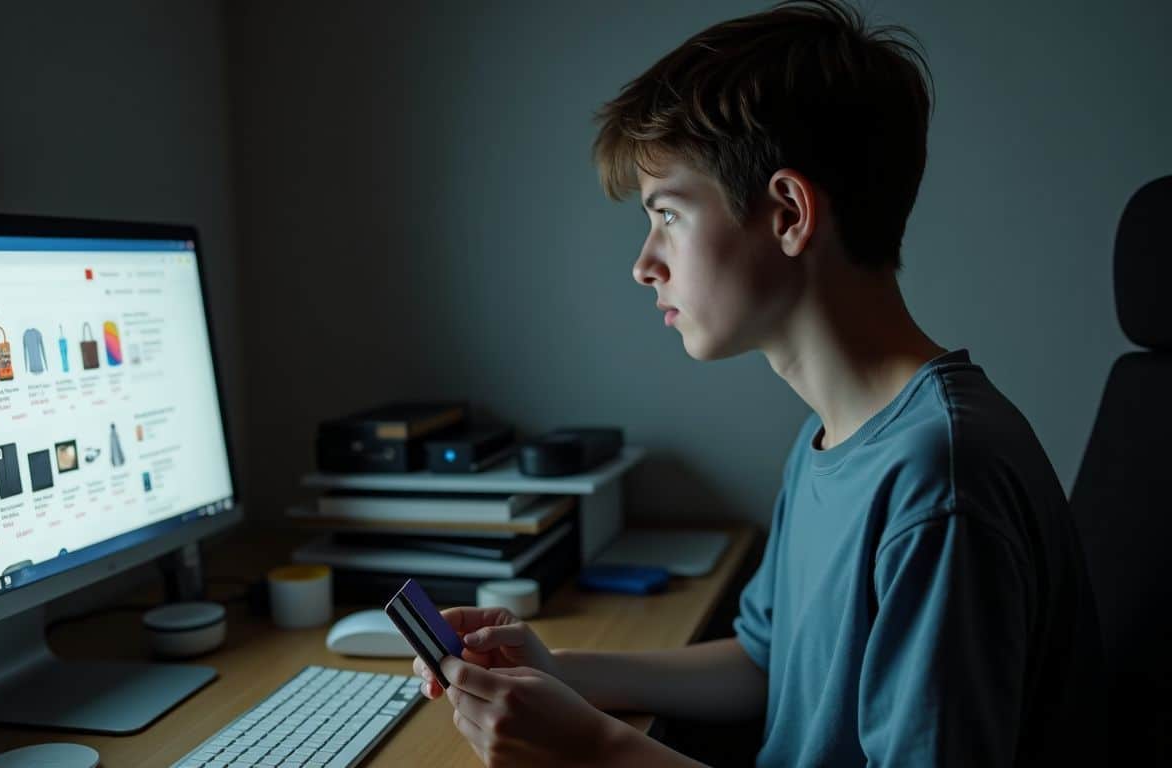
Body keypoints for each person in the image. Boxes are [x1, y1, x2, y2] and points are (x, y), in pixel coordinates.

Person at [412, 1, 1105, 765]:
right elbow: (763, 664)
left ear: (787, 213)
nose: (644, 263)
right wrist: (560, 675)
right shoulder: (832, 438)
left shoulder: (937, 484)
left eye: (667, 214)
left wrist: (594, 750)